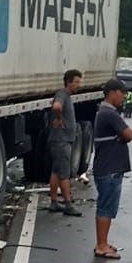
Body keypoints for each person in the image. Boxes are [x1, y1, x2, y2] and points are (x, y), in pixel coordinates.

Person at [92, 78, 132, 259]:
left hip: (108, 167)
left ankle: (103, 242)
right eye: (121, 92)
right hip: (109, 168)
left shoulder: (106, 112)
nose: (124, 96)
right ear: (112, 92)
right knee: (106, 208)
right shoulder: (109, 114)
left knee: (106, 206)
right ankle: (101, 245)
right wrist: (122, 136)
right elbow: (128, 134)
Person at [47, 69, 83, 215]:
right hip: (61, 141)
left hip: (60, 140)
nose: (79, 85)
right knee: (64, 173)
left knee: (56, 171)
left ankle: (54, 202)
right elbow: (56, 106)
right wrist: (58, 118)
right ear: (68, 82)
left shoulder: (66, 96)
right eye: (76, 82)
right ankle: (68, 204)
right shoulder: (62, 94)